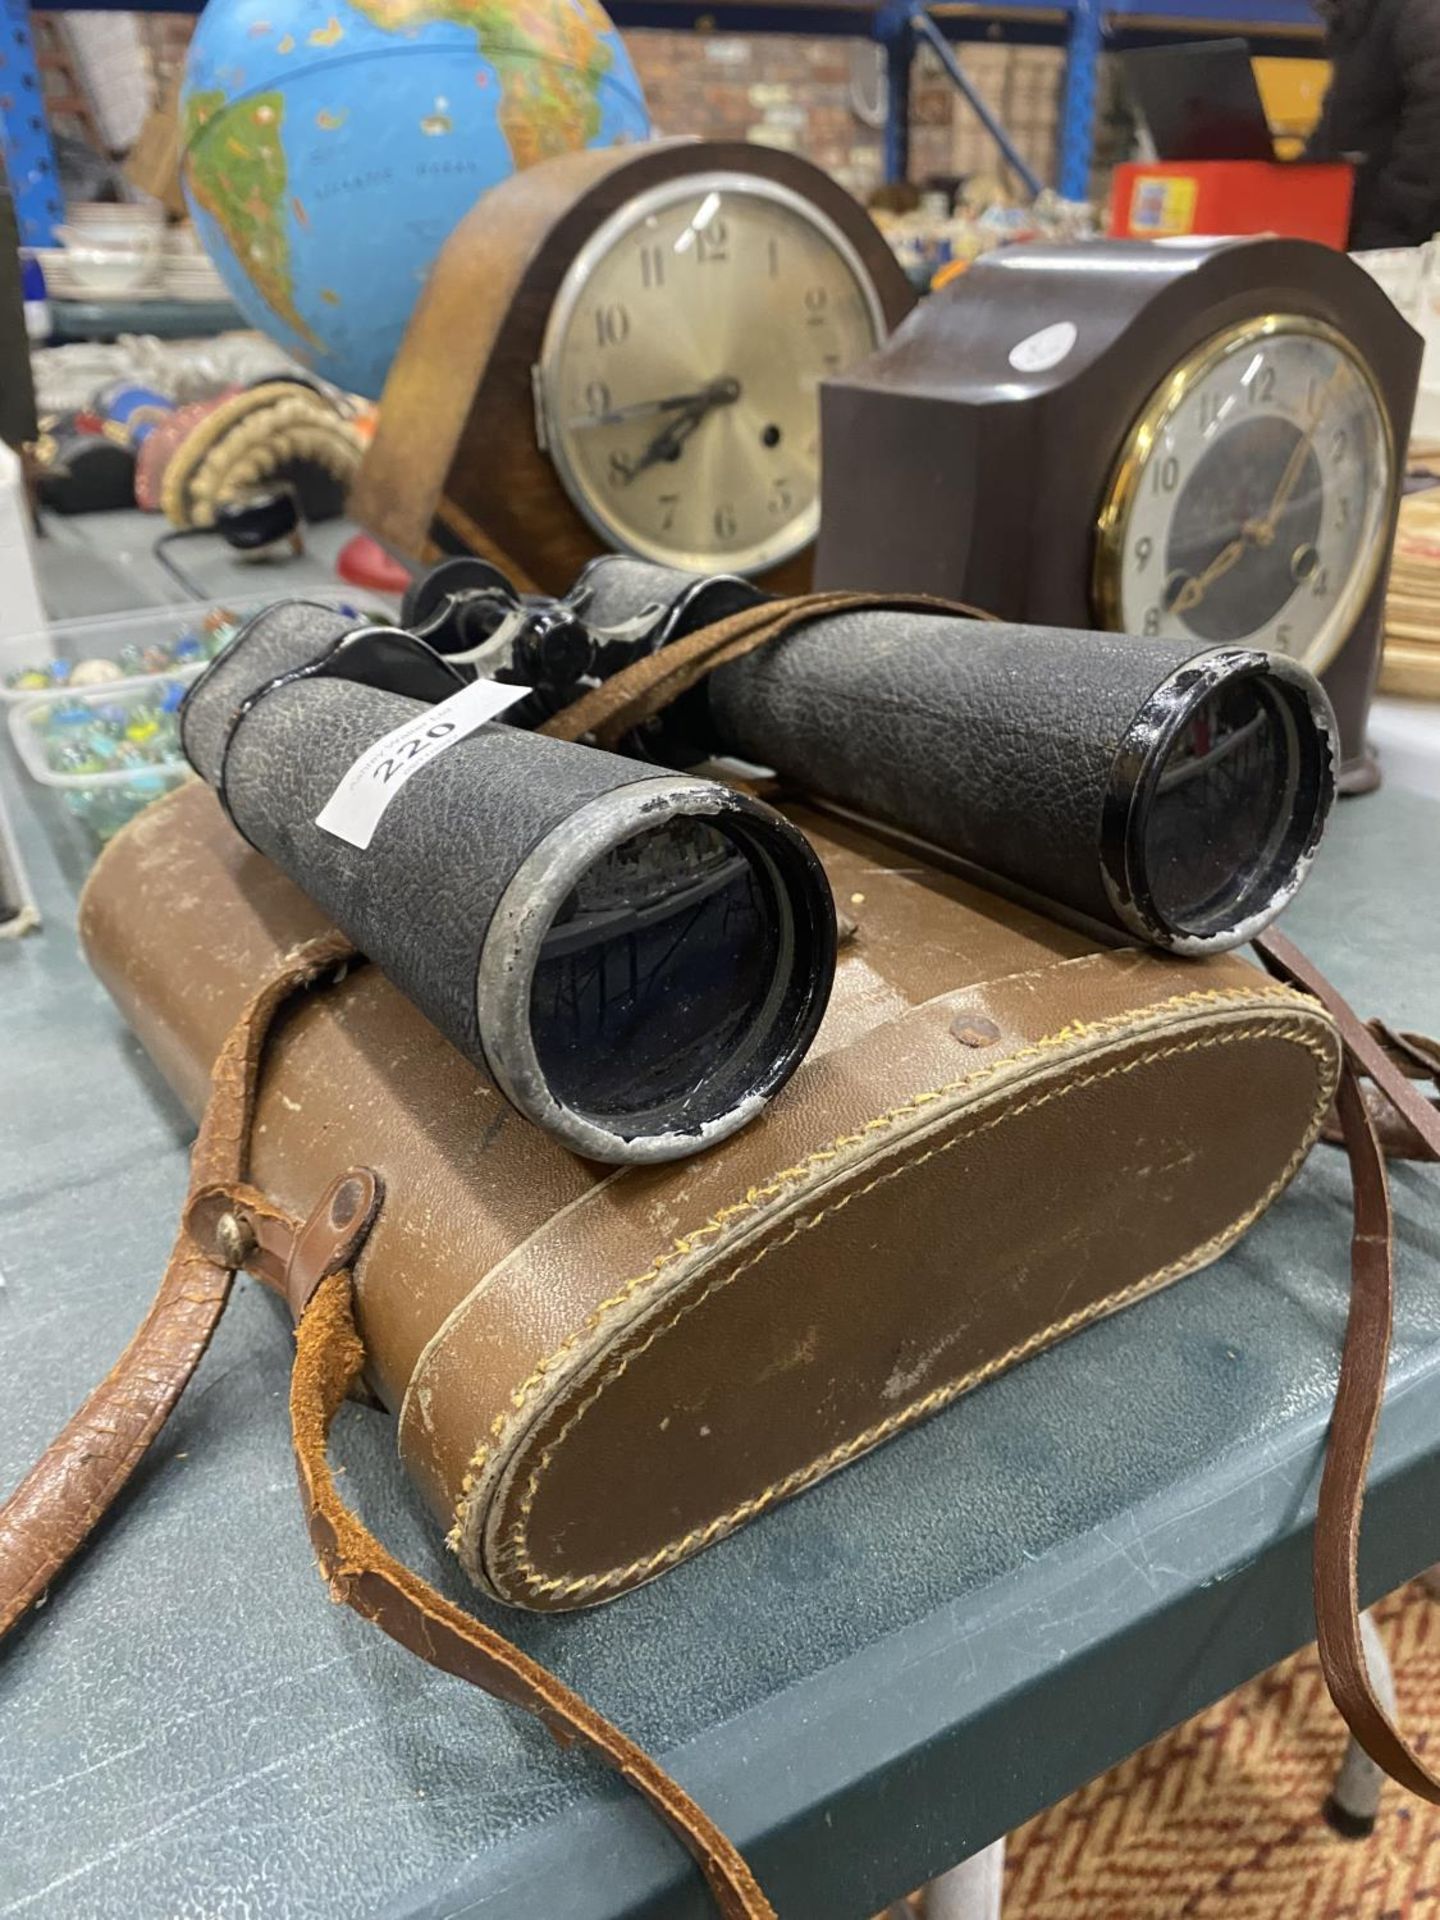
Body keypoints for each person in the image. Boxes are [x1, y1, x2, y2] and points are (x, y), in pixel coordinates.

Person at [1306, 0, 1440, 248]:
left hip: (1401, 239)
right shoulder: (1354, 18)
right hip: (1359, 228)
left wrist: (1388, 226)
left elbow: (1433, 131)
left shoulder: (1418, 12)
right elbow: (1341, 127)